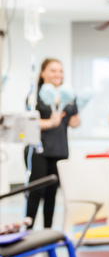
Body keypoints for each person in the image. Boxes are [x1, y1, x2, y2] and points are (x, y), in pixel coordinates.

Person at [25, 58, 80, 228]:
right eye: (53, 70)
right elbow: (27, 123)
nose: (58, 74)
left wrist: (76, 120)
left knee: (52, 194)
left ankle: (47, 231)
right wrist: (50, 123)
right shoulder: (35, 96)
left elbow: (72, 122)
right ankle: (27, 229)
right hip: (39, 149)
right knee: (36, 191)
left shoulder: (68, 96)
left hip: (60, 149)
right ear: (43, 73)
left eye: (60, 71)